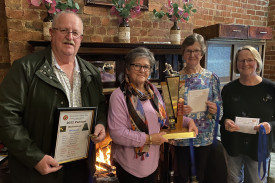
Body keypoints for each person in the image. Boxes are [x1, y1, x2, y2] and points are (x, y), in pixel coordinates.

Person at [0, 11, 107, 183]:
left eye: (75, 33)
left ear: (81, 38)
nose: (69, 37)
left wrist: (101, 123)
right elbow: (5, 118)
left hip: (81, 165)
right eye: (64, 30)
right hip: (39, 168)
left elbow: (101, 105)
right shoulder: (25, 68)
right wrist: (34, 158)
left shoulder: (92, 73)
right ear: (52, 33)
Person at [107, 47, 198, 183]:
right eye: (137, 65)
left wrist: (187, 121)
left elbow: (164, 116)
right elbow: (117, 133)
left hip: (152, 162)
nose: (142, 70)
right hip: (129, 166)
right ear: (127, 69)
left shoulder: (153, 90)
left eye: (147, 67)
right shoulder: (118, 96)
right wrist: (149, 139)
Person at [170, 33, 222, 183]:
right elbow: (167, 112)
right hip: (182, 136)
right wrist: (178, 111)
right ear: (183, 53)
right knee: (181, 176)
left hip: (205, 136)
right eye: (189, 51)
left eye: (196, 51)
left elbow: (220, 108)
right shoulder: (175, 78)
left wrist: (215, 110)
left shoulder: (212, 78)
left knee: (202, 175)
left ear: (202, 53)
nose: (192, 54)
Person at [220, 45, 275, 183]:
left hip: (259, 146)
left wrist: (270, 125)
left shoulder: (271, 89)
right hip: (233, 144)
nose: (245, 64)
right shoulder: (228, 89)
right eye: (241, 60)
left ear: (257, 62)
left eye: (250, 60)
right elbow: (224, 115)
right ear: (236, 64)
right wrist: (226, 122)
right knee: (233, 180)